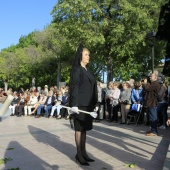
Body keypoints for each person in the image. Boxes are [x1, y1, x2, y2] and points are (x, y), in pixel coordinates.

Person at [69, 43, 98, 166]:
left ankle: (84, 153)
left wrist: (95, 103)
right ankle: (79, 154)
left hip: (88, 104)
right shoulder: (77, 70)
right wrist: (74, 104)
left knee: (84, 129)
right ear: (80, 56)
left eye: (89, 55)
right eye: (86, 55)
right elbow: (74, 87)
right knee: (79, 129)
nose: (88, 57)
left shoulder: (88, 70)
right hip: (79, 104)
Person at [142, 71, 160, 136]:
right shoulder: (153, 83)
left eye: (151, 76)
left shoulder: (155, 83)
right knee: (151, 117)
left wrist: (145, 83)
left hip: (153, 103)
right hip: (150, 103)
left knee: (153, 117)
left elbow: (147, 88)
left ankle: (154, 131)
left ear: (155, 77)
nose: (150, 77)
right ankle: (153, 129)